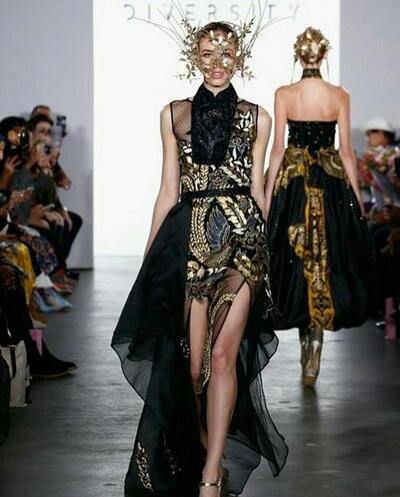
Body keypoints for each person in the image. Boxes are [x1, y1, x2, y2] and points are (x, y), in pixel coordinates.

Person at [112, 19, 287, 497]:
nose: (216, 63)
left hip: (242, 243)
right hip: (188, 243)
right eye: (207, 54)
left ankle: (211, 475)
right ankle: (208, 445)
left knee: (223, 354)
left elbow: (258, 190)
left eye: (225, 54)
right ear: (195, 57)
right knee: (193, 370)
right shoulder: (173, 115)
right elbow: (168, 189)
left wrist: (270, 255)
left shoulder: (258, 118)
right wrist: (150, 260)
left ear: (238, 58)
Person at [265, 27, 373, 388]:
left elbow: (277, 149)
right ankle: (314, 346)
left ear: (299, 55)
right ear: (323, 55)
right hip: (330, 184)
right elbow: (346, 152)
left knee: (297, 262)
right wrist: (356, 199)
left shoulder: (285, 93)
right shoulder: (339, 95)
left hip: (294, 182)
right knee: (326, 260)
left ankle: (307, 346)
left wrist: (268, 194)